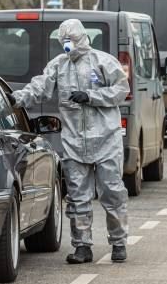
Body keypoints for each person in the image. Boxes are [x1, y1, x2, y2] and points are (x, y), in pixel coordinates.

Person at [9, 19, 130, 264]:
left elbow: (121, 90)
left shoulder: (103, 62)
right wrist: (15, 99)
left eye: (72, 40)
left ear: (82, 38)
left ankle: (118, 242)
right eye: (64, 41)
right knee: (77, 197)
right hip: (75, 142)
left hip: (106, 139)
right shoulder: (58, 67)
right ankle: (82, 246)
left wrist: (92, 96)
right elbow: (39, 88)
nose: (68, 46)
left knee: (112, 192)